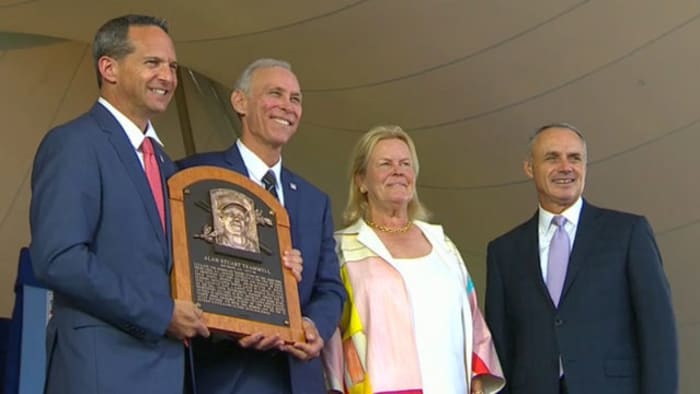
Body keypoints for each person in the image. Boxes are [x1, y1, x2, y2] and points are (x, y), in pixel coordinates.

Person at [29, 15, 210, 394]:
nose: (168, 76)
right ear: (108, 67)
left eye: (173, 66)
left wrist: (279, 271)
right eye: (153, 63)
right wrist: (161, 313)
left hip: (169, 372)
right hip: (101, 370)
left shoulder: (166, 165)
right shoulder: (74, 143)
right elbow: (59, 258)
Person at [177, 58, 346, 393]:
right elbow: (184, 265)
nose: (287, 106)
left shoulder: (315, 201)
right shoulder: (194, 176)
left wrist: (311, 326)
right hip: (225, 374)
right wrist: (238, 321)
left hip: (299, 377)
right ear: (240, 102)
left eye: (295, 99)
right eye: (275, 94)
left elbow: (330, 288)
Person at [484, 123, 678, 394]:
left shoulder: (627, 233)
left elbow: (659, 335)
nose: (566, 167)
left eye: (574, 158)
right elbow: (500, 349)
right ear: (529, 168)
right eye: (552, 157)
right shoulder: (504, 251)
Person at [322, 125, 505, 394]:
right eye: (385, 164)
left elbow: (474, 320)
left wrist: (478, 378)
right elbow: (331, 336)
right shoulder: (343, 249)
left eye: (405, 164)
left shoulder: (442, 245)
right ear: (361, 180)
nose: (398, 171)